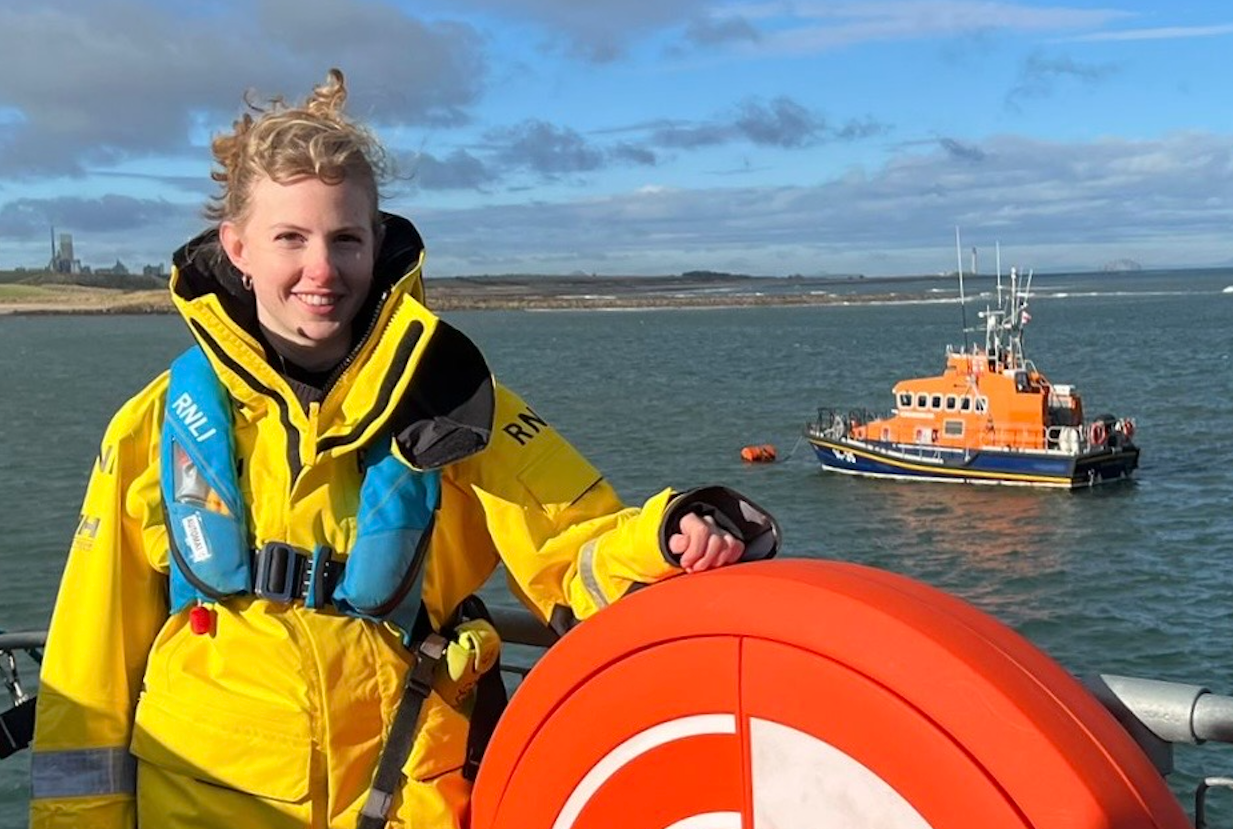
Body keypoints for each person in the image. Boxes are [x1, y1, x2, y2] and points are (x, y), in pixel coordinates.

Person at [29, 69, 779, 829]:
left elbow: (571, 543)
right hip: (196, 805)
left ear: (377, 243)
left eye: (345, 238)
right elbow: (87, 672)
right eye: (290, 237)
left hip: (403, 801)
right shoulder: (152, 426)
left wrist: (670, 533)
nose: (321, 270)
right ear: (237, 248)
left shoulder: (454, 403)